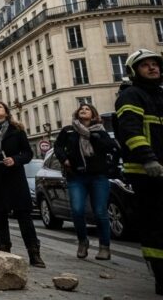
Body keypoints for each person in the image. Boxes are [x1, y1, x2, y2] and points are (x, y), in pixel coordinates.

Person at [115, 49, 163, 295]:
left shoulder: (160, 96)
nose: (152, 68)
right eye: (146, 65)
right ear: (134, 71)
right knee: (154, 224)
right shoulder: (131, 96)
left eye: (155, 64)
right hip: (145, 172)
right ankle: (160, 275)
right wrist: (148, 159)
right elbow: (131, 131)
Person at [0, 100, 45, 267]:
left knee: (24, 215)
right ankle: (4, 250)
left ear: (6, 112)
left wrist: (15, 159)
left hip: (14, 177)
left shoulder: (17, 130)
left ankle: (34, 253)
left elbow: (27, 153)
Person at [53, 103, 117, 260]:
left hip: (98, 176)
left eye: (87, 109)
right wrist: (64, 159)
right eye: (81, 109)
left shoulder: (100, 131)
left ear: (94, 115)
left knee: (100, 212)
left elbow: (111, 148)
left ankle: (104, 247)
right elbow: (58, 147)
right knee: (77, 210)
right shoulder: (68, 130)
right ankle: (83, 241)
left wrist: (92, 137)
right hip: (76, 176)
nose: (83, 110)